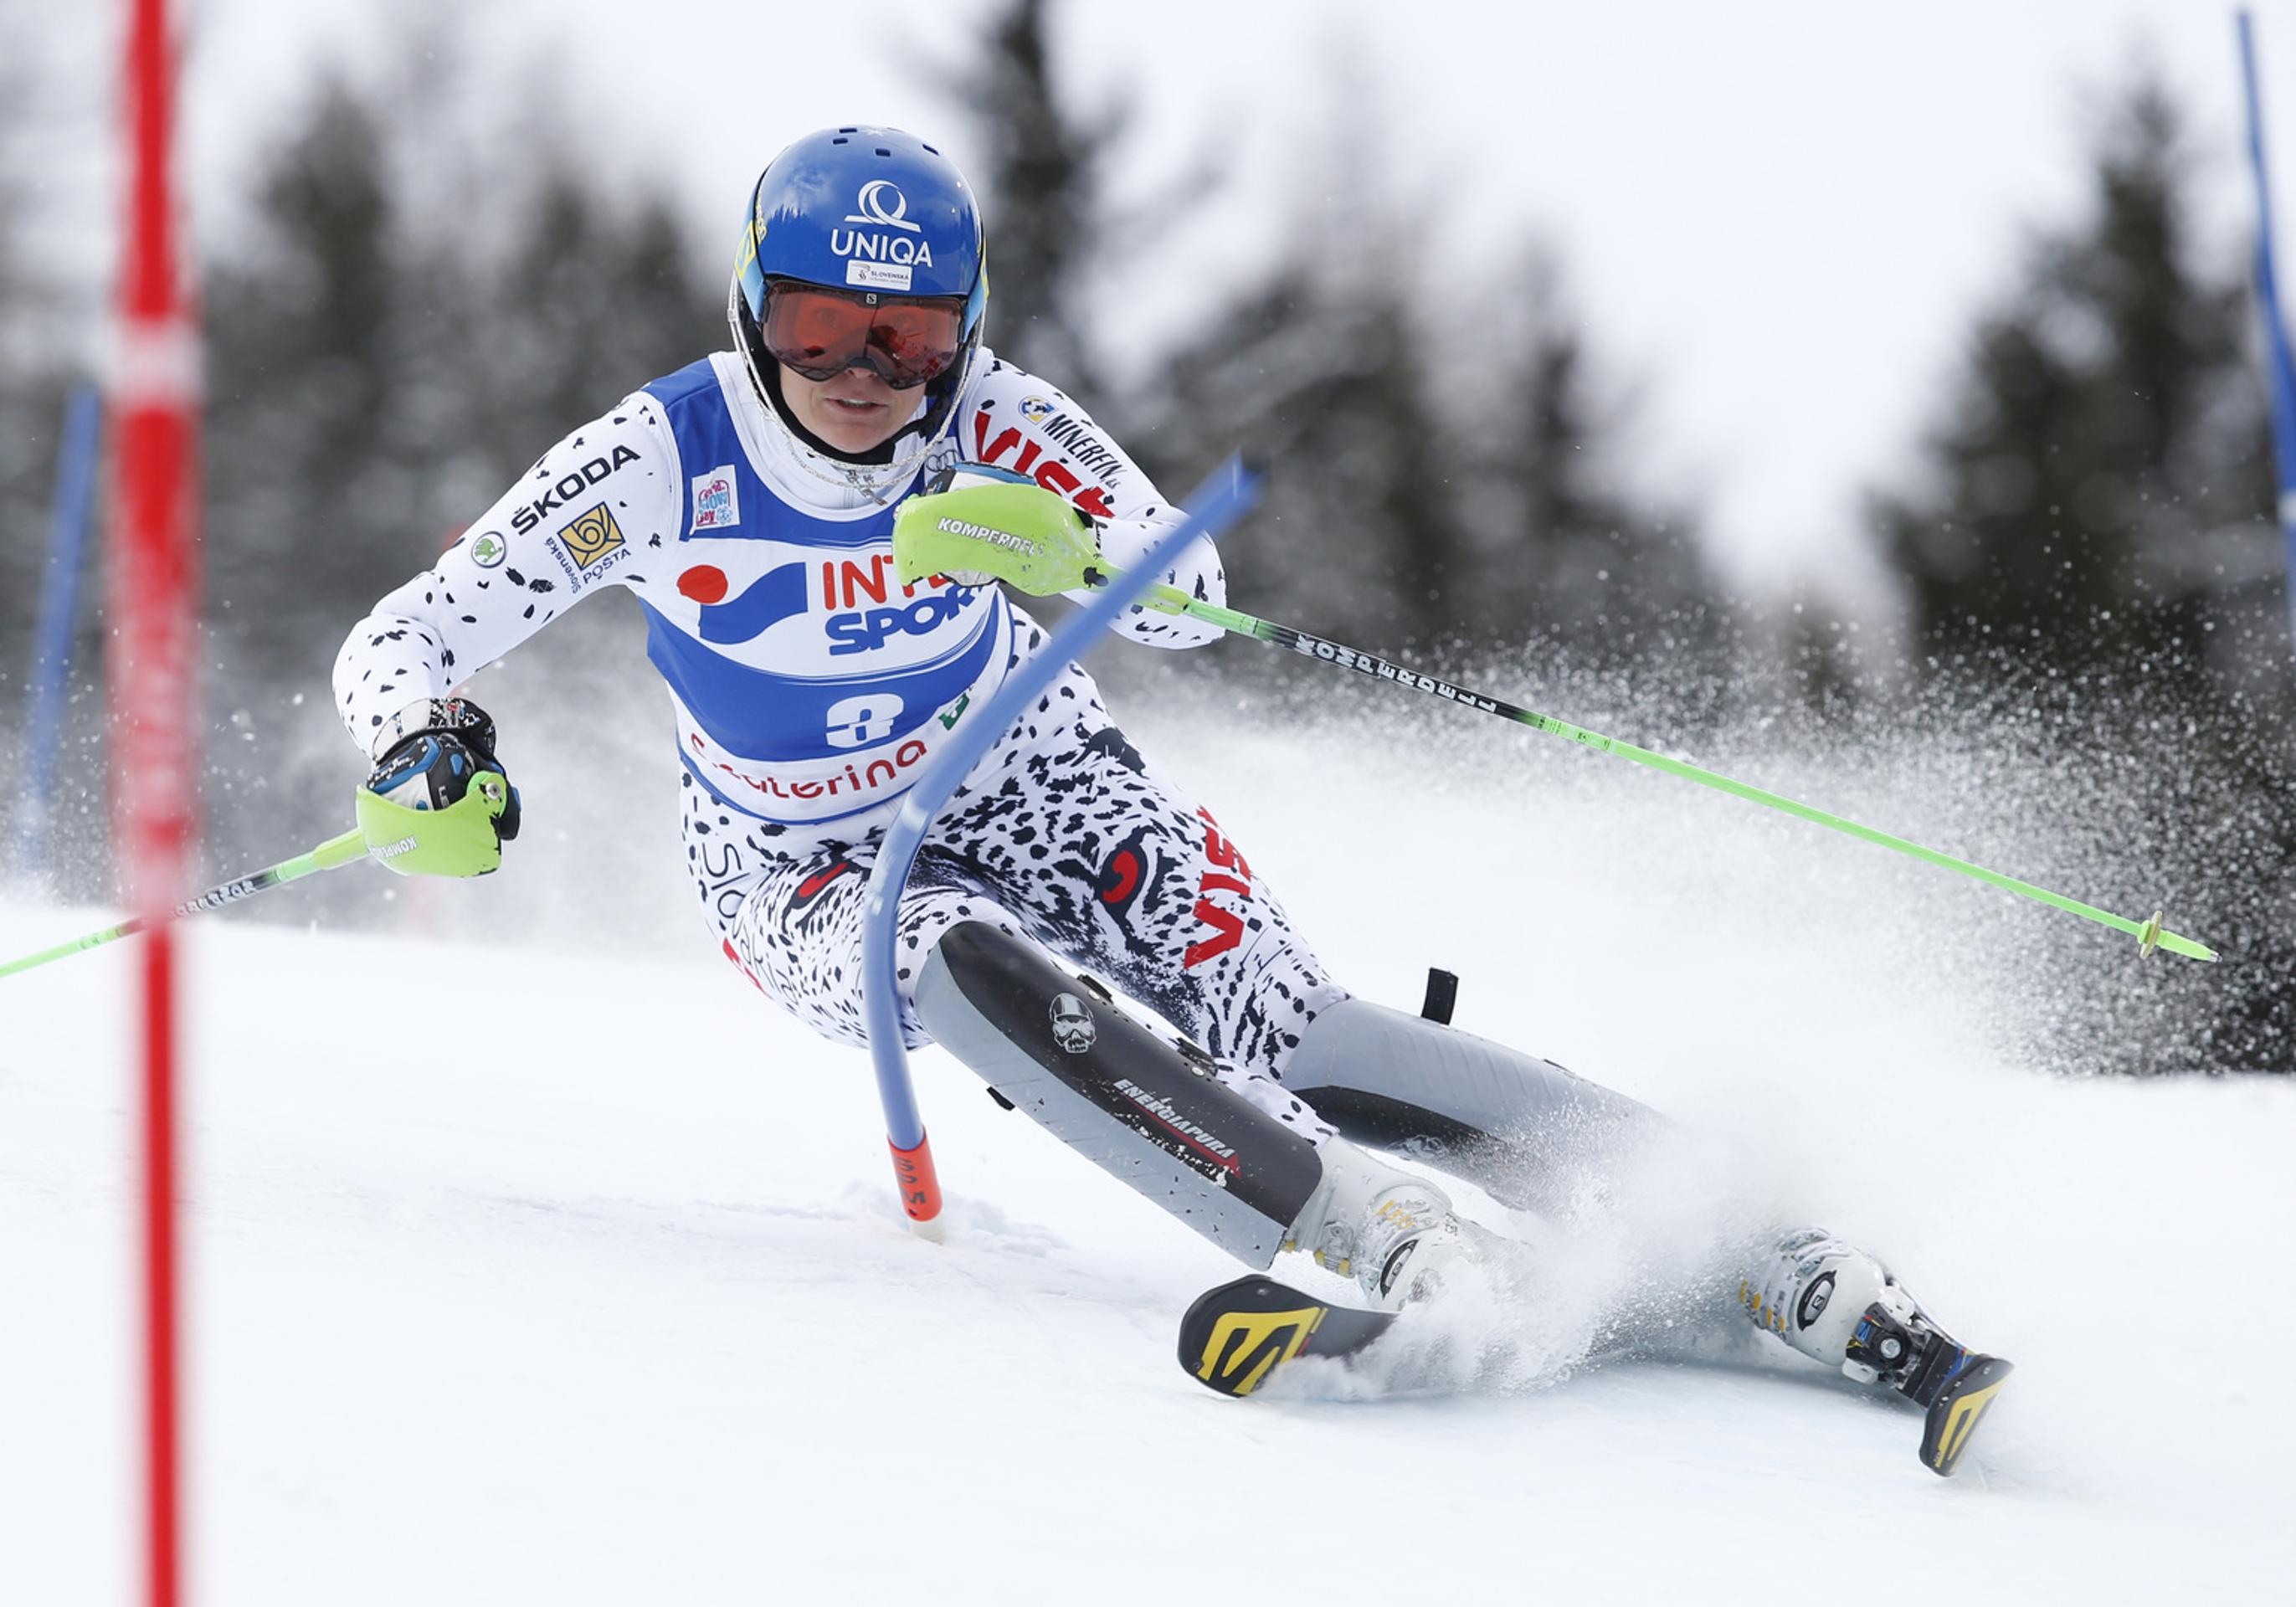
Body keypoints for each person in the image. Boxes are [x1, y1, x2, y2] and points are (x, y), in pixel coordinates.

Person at [334, 126, 1999, 1466]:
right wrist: (425, 742)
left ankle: (1744, 1232)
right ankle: (1379, 1232)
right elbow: (406, 637)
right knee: (953, 960)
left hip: (1030, 764)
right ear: (750, 311)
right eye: (817, 328)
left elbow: (1184, 590)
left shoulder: (997, 422)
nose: (862, 372)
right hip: (794, 854)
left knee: (1286, 1022)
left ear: (962, 332)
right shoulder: (655, 459)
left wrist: (1072, 553)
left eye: (908, 336)